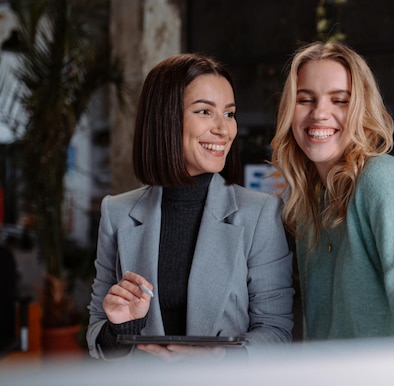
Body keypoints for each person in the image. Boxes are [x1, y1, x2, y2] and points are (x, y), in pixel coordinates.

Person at [87, 53, 294, 362]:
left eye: (229, 113)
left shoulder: (260, 213)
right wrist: (121, 327)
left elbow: (277, 333)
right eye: (204, 111)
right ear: (165, 118)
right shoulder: (116, 212)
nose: (223, 129)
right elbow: (97, 338)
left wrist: (219, 356)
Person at [270, 41, 394, 342]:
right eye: (305, 99)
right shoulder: (307, 202)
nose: (320, 113)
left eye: (340, 100)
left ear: (362, 110)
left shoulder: (381, 178)